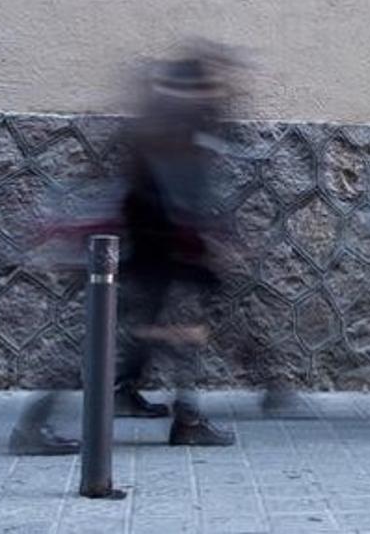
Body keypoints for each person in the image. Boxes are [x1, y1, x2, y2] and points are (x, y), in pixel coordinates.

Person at [110, 53, 236, 445]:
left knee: (150, 329)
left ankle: (125, 392)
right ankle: (188, 422)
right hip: (171, 248)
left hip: (154, 246)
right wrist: (211, 239)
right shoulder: (180, 129)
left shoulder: (157, 124)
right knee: (184, 334)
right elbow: (182, 193)